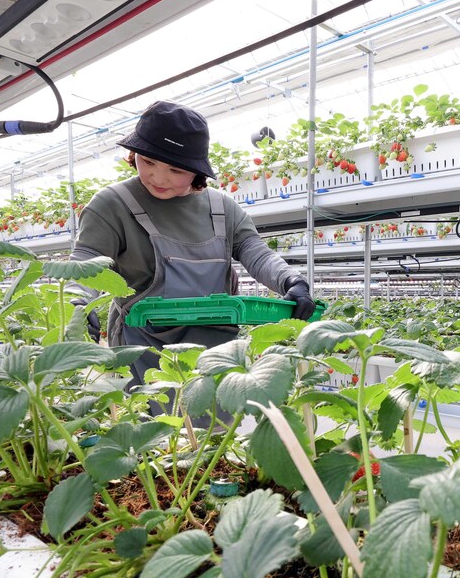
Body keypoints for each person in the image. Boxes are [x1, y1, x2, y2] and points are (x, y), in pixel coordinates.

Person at [70, 100, 316, 410]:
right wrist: (78, 301)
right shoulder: (113, 204)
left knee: (215, 440)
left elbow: (256, 252)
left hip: (215, 348)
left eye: (174, 169)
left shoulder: (222, 208)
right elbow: (87, 258)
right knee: (155, 437)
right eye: (147, 162)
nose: (158, 178)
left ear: (197, 170)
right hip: (145, 347)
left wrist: (290, 280)